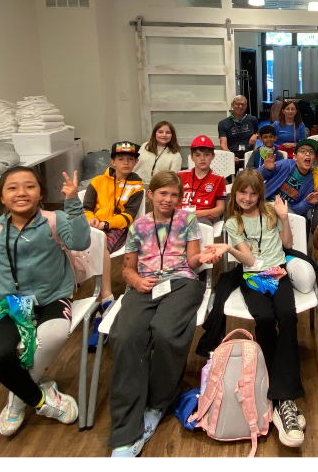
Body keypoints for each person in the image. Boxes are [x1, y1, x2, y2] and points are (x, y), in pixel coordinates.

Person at [192, 170, 310, 448]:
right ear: (236, 195)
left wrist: (283, 219)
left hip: (276, 272)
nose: (247, 197)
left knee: (288, 317)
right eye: (242, 192)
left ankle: (281, 394)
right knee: (266, 319)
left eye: (253, 193)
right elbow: (246, 257)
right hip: (252, 276)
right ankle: (279, 389)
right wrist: (229, 250)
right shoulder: (233, 223)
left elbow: (288, 245)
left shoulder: (270, 213)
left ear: (260, 195)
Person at [107, 172, 218, 456]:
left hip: (181, 282)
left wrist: (203, 258)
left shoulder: (187, 220)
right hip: (144, 285)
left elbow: (192, 261)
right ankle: (124, 432)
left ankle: (157, 403)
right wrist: (135, 282)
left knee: (167, 332)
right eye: (162, 193)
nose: (168, 199)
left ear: (179, 198)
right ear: (151, 194)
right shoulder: (139, 226)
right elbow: (127, 269)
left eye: (173, 195)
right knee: (125, 336)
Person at [0, 168, 90, 437]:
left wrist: (73, 202)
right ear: (2, 197)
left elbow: (81, 240)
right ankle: (40, 399)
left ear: (41, 193)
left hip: (54, 298)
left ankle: (17, 398)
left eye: (29, 186)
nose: (21, 192)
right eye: (12, 188)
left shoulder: (56, 219)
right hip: (10, 304)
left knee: (53, 334)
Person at [83, 141, 147, 258]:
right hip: (94, 224)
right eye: (121, 159)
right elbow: (86, 208)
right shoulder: (98, 181)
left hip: (118, 228)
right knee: (77, 245)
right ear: (113, 162)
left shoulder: (137, 187)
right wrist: (91, 219)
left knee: (101, 249)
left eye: (130, 159)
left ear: (136, 162)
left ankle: (102, 276)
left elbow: (129, 215)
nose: (126, 163)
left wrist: (106, 224)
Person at [177, 136, 229, 220]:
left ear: (213, 156)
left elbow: (220, 208)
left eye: (206, 155)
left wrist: (202, 213)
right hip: (180, 216)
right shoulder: (180, 175)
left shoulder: (218, 179)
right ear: (192, 157)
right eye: (197, 155)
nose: (202, 159)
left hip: (204, 217)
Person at [220, 95, 258, 168]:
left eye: (243, 104)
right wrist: (231, 156)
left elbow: (258, 132)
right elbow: (223, 145)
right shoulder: (223, 123)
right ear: (232, 105)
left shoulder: (252, 119)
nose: (240, 107)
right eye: (237, 104)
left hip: (249, 154)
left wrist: (255, 135)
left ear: (246, 106)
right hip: (232, 153)